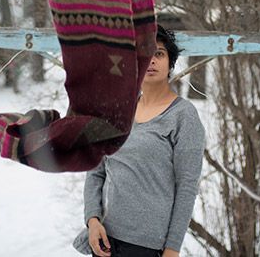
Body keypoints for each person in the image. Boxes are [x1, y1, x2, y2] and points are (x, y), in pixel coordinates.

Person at [77, 25, 206, 257]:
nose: (152, 60)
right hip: (105, 240)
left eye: (159, 53)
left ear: (170, 63)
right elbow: (96, 171)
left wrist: (172, 249)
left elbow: (187, 186)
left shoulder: (183, 116)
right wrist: (92, 220)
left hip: (147, 247)